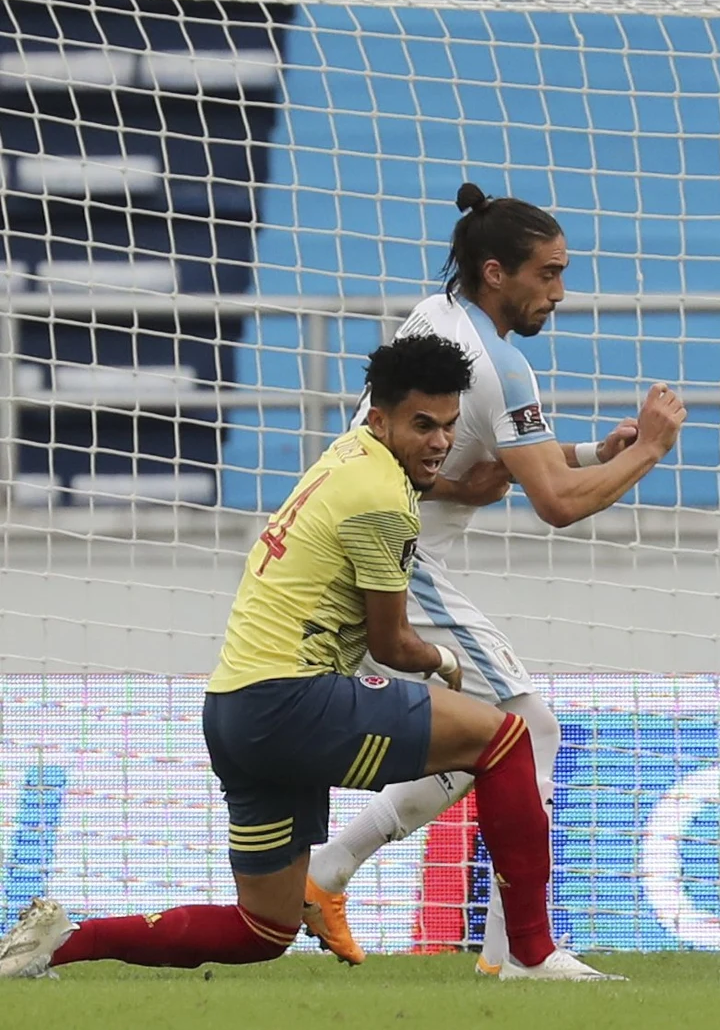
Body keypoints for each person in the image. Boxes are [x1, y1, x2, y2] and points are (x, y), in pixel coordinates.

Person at [0, 335, 616, 981]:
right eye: (423, 425)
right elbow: (390, 644)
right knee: (505, 738)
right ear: (379, 419)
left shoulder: (346, 455)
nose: (439, 441)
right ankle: (531, 951)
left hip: (232, 710)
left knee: (262, 927)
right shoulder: (384, 496)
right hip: (290, 700)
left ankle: (59, 942)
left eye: (450, 426)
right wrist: (444, 661)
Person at [300, 183, 686, 973]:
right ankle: (521, 954)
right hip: (394, 561)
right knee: (529, 728)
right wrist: (648, 449)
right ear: (494, 271)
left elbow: (459, 457)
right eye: (547, 274)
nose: (560, 291)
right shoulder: (498, 364)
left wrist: (590, 455)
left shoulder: (435, 320)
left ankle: (328, 871)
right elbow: (553, 503)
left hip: (351, 543)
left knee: (481, 741)